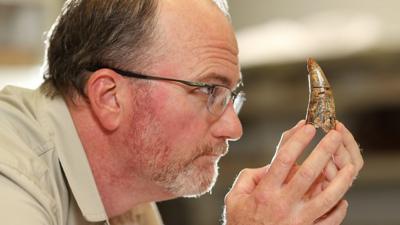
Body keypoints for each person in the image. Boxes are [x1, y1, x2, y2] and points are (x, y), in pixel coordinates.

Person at [0, 0, 363, 225]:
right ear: (110, 97)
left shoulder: (129, 198)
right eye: (209, 90)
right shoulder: (11, 174)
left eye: (230, 95)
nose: (234, 128)